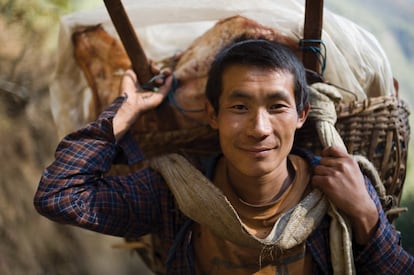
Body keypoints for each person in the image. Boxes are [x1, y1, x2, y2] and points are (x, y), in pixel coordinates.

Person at [34, 39, 413, 274]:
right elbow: (59, 194)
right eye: (239, 106)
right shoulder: (174, 194)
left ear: (301, 116)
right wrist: (126, 111)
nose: (259, 128)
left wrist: (366, 217)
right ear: (213, 115)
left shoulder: (338, 193)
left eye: (277, 106)